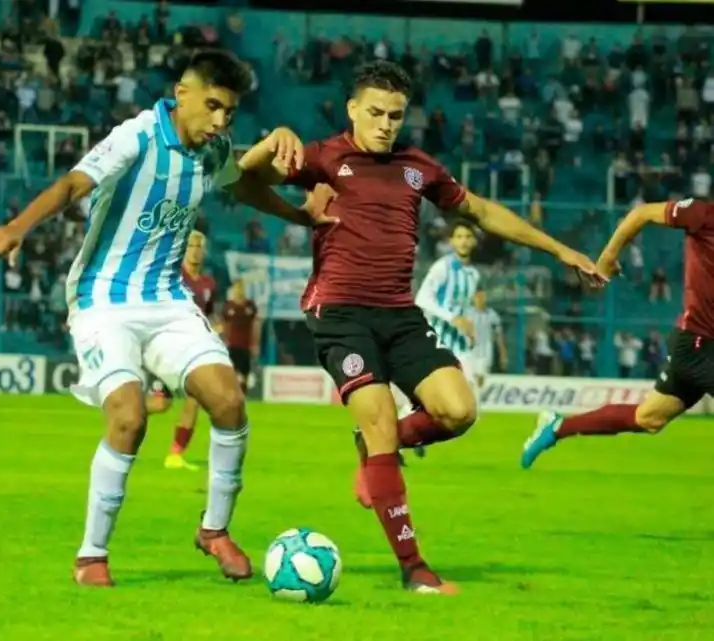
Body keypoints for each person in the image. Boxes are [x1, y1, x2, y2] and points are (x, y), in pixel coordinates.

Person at [239, 60, 606, 594]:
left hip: (400, 314)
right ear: (352, 110)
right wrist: (271, 143)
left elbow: (478, 210)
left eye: (395, 115)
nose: (386, 123)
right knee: (382, 419)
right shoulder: (322, 156)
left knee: (458, 411)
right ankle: (415, 569)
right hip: (340, 314)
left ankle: (373, 451)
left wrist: (558, 249)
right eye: (375, 113)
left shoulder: (418, 167)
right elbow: (240, 180)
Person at [0, 49, 335, 588]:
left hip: (167, 301)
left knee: (228, 401)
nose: (220, 121)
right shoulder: (138, 135)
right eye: (213, 106)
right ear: (182, 94)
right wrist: (16, 228)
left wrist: (300, 217)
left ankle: (213, 530)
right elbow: (75, 184)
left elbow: (239, 185)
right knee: (129, 418)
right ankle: (91, 555)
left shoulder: (212, 148)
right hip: (104, 299)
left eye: (230, 113)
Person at [521, 198, 714, 469]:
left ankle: (556, 427)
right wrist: (609, 255)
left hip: (701, 347)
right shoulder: (703, 214)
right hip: (697, 344)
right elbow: (642, 213)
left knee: (649, 418)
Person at [355, 221, 480, 484]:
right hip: (433, 342)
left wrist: (469, 327)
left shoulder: (473, 275)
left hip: (459, 343)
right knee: (445, 407)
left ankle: (391, 441)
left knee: (464, 409)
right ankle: (387, 441)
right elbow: (423, 299)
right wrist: (453, 318)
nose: (464, 241)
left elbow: (464, 308)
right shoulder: (443, 267)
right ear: (451, 241)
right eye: (459, 236)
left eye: (468, 236)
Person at [160, 229, 219, 472]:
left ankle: (175, 455)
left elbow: (210, 314)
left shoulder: (208, 283)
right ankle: (123, 411)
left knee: (194, 399)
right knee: (160, 404)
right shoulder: (173, 278)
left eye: (199, 246)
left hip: (193, 349)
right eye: (191, 245)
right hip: (169, 346)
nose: (195, 250)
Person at [222, 279, 260, 393]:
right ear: (233, 290)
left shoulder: (250, 305)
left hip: (246, 345)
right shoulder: (228, 306)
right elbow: (225, 325)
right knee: (232, 373)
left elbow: (255, 324)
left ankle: (242, 397)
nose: (239, 290)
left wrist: (256, 344)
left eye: (241, 288)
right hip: (232, 345)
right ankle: (232, 395)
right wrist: (224, 340)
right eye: (237, 288)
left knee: (245, 373)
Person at [466, 290, 507, 389]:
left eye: (482, 297)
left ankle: (478, 399)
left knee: (481, 378)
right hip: (470, 351)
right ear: (473, 299)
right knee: (469, 379)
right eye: (477, 297)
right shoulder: (467, 313)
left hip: (485, 351)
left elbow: (499, 335)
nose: (480, 299)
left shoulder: (492, 315)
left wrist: (503, 354)